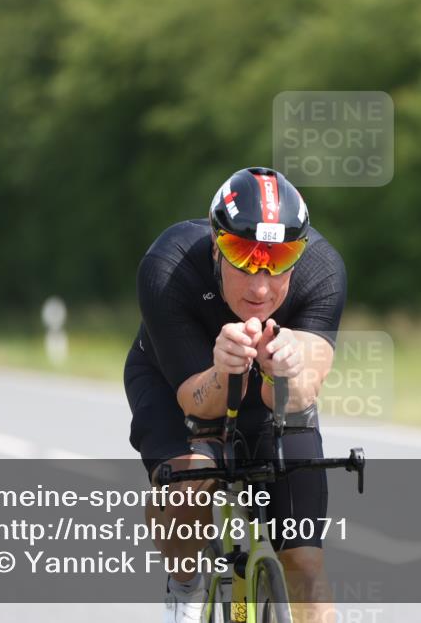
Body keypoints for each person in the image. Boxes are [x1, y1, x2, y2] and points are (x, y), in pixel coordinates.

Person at [125, 167, 346, 623]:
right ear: (215, 241)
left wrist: (282, 372)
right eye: (241, 255)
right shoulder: (167, 267)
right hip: (177, 382)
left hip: (269, 397)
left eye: (279, 258)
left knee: (305, 562)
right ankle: (185, 584)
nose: (260, 284)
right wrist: (225, 367)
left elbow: (302, 391)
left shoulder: (324, 271)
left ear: (299, 253)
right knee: (189, 481)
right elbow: (194, 401)